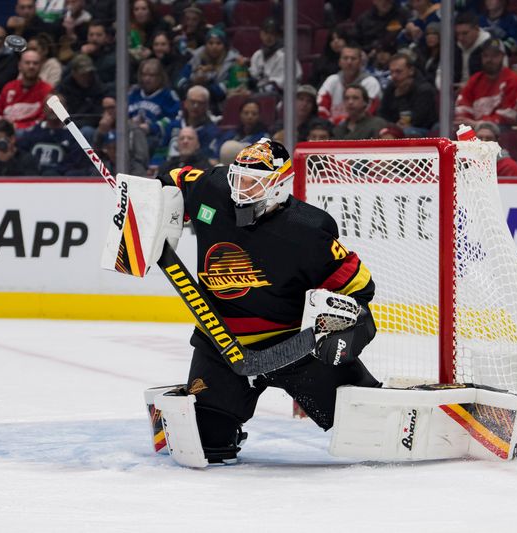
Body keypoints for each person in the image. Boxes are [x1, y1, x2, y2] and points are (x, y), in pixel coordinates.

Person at [153, 139, 380, 465]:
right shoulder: (212, 188)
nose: (241, 189)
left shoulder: (308, 231)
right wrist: (142, 206)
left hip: (292, 349)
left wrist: (347, 331)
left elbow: (359, 288)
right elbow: (171, 179)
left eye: (253, 181)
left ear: (279, 185)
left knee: (370, 429)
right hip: (220, 345)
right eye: (239, 178)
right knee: (204, 447)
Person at [454, 38, 517, 128]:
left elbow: (509, 115)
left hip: (501, 130)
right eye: (486, 56)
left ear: (502, 57)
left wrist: (479, 124)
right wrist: (465, 120)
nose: (489, 60)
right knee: (439, 127)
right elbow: (463, 106)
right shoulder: (475, 79)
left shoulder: (513, 80)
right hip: (474, 126)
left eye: (494, 56)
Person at [317, 44, 382, 124]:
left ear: (360, 62)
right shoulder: (332, 80)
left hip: (361, 129)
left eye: (353, 58)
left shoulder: (371, 83)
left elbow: (368, 113)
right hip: (332, 130)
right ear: (339, 62)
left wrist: (340, 123)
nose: (349, 62)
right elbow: (321, 108)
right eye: (345, 58)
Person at [379, 52, 438, 136]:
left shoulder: (424, 90)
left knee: (407, 132)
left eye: (398, 72)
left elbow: (419, 119)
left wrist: (401, 98)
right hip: (396, 126)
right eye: (391, 72)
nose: (394, 76)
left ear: (411, 71)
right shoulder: (391, 87)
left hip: (422, 130)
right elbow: (382, 113)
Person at [0, 50, 53, 131]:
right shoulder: (8, 87)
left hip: (33, 133)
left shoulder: (47, 90)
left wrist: (19, 127)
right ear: (20, 65)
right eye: (27, 63)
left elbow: (43, 119)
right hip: (8, 132)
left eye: (35, 63)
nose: (31, 66)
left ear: (41, 66)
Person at [248, 18, 301, 95]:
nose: (269, 37)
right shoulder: (257, 55)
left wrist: (252, 92)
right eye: (266, 33)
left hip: (283, 97)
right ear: (261, 34)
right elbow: (254, 78)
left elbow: (277, 86)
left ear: (279, 35)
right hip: (261, 94)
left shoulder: (285, 56)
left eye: (273, 33)